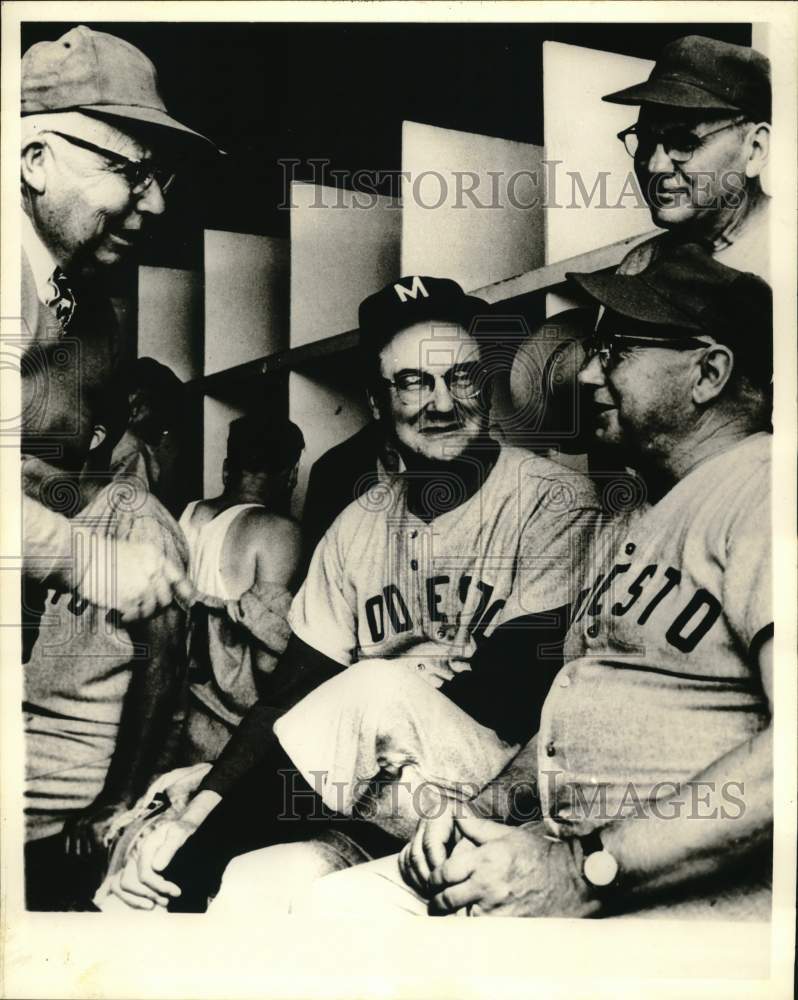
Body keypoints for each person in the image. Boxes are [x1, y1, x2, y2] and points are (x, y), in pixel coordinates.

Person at [105, 275, 603, 912]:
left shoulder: (553, 501)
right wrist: (206, 801)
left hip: (505, 801)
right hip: (378, 806)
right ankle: (171, 884)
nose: (442, 403)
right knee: (250, 891)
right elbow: (289, 697)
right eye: (414, 382)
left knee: (374, 688)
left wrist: (374, 714)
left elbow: (512, 692)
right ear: (376, 401)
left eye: (462, 377)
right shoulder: (357, 526)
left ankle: (187, 868)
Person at [307, 245, 773, 921]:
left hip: (667, 897)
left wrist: (586, 870)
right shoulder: (643, 516)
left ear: (709, 372)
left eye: (614, 350)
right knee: (329, 908)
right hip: (565, 851)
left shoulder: (766, 490)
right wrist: (474, 814)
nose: (585, 373)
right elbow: (562, 733)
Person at [20, 25, 216, 619]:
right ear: (36, 161)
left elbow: (51, 476)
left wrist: (127, 510)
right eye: (131, 170)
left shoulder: (97, 316)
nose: (156, 203)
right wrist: (89, 562)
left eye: (162, 178)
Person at [24, 374, 190, 911]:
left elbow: (164, 678)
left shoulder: (139, 520)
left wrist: (118, 801)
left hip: (72, 773)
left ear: (94, 436)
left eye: (44, 412)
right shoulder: (54, 513)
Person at [177, 416, 305, 763]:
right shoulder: (278, 530)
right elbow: (267, 661)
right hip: (225, 727)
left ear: (225, 468)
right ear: (292, 474)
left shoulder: (189, 513)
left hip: (174, 708)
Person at [604, 35, 770, 280]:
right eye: (646, 140)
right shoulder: (640, 266)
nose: (655, 166)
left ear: (756, 149)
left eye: (685, 142)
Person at [110, 357, 185, 511]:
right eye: (162, 410)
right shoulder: (134, 451)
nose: (164, 427)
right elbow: (131, 518)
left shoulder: (99, 436)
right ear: (136, 403)